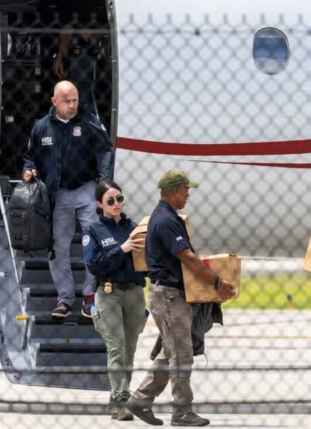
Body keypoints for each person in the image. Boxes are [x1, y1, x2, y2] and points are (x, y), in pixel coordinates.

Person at [126, 169, 237, 427]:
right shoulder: (166, 220)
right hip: (168, 296)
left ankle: (140, 400)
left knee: (169, 353)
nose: (188, 195)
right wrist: (217, 283)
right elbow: (187, 257)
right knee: (182, 356)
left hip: (169, 293)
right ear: (175, 190)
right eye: (186, 190)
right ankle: (182, 412)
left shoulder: (167, 217)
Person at [22, 80, 113, 319]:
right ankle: (64, 298)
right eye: (67, 101)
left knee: (94, 243)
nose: (72, 105)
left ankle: (89, 296)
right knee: (58, 248)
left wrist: (102, 189)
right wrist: (28, 170)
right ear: (54, 101)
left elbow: (105, 151)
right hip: (58, 194)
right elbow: (30, 157)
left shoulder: (90, 121)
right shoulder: (41, 128)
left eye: (75, 100)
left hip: (87, 189)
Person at [82, 181, 146, 421]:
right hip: (108, 293)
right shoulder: (94, 230)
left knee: (129, 350)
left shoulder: (134, 227)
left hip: (135, 292)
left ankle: (117, 398)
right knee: (116, 347)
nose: (116, 204)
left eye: (119, 199)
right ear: (100, 204)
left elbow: (144, 260)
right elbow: (94, 264)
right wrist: (122, 249)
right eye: (110, 201)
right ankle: (121, 401)